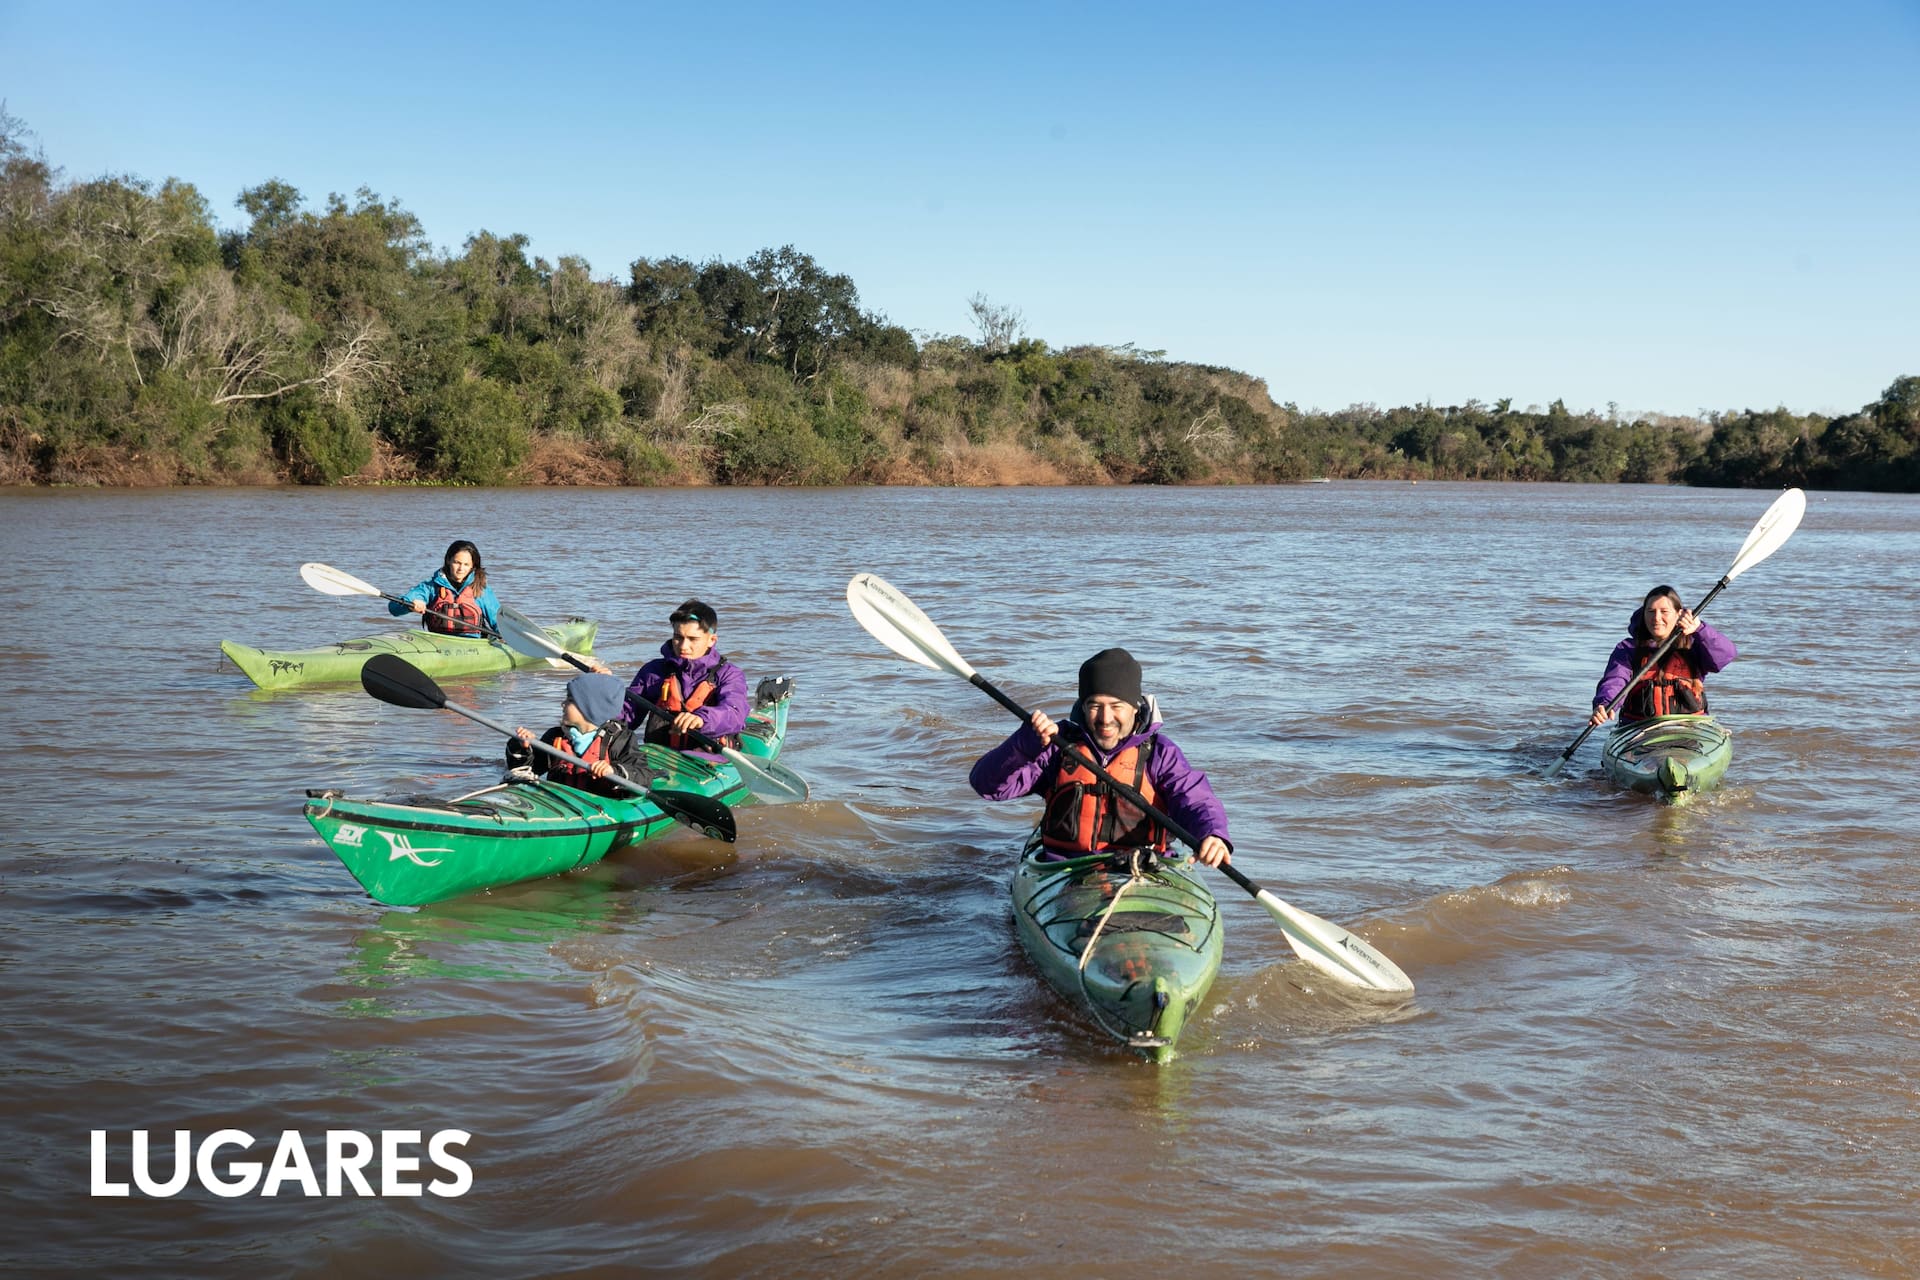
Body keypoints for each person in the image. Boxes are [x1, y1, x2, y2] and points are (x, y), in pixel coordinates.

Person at [969, 647, 1232, 867]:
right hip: (1066, 868)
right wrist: (1023, 745)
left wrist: (1213, 834)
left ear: (1135, 707)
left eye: (1116, 706)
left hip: (1143, 867)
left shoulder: (1160, 753)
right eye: (1095, 706)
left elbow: (1195, 800)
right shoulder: (1056, 745)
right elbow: (988, 786)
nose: (1106, 719)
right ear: (1083, 707)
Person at [1588, 585, 1738, 727]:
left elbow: (1725, 655)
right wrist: (1605, 704)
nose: (1656, 618)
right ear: (1643, 614)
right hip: (1639, 727)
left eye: (1664, 612)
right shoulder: (1628, 649)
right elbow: (1615, 679)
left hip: (1690, 726)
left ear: (1679, 614)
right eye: (1651, 611)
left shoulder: (1695, 645)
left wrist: (1700, 629)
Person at [621, 600, 749, 758]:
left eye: (692, 639)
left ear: (711, 640)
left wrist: (701, 719)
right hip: (659, 756)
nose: (683, 646)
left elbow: (735, 714)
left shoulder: (729, 674)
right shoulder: (653, 671)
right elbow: (626, 714)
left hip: (708, 760)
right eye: (678, 637)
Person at [507, 673, 652, 798]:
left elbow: (643, 774)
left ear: (590, 708)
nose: (563, 704)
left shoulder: (620, 739)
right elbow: (526, 772)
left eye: (570, 700)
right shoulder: (555, 736)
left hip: (601, 806)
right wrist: (522, 748)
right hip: (563, 804)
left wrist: (613, 771)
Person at [389, 540, 499, 638]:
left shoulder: (481, 590)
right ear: (448, 560)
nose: (461, 568)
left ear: (472, 566)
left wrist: (506, 638)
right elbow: (393, 608)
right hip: (438, 643)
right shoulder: (430, 587)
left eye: (466, 564)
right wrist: (411, 605)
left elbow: (498, 622)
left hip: (472, 646)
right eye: (457, 563)